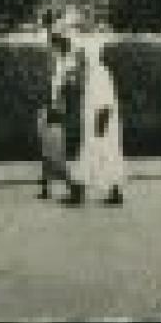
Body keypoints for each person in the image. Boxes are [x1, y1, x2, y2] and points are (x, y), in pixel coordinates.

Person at [64, 37, 125, 206]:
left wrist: (99, 129)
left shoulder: (99, 74)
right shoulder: (93, 73)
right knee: (105, 157)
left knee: (94, 156)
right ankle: (113, 191)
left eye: (81, 55)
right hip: (98, 125)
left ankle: (78, 193)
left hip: (100, 125)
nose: (79, 59)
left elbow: (105, 103)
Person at [37, 27, 74, 200]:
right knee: (46, 148)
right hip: (50, 108)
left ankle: (73, 186)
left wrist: (55, 107)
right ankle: (46, 186)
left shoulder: (66, 65)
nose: (50, 49)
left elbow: (65, 91)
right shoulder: (57, 65)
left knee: (54, 150)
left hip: (56, 110)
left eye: (52, 45)